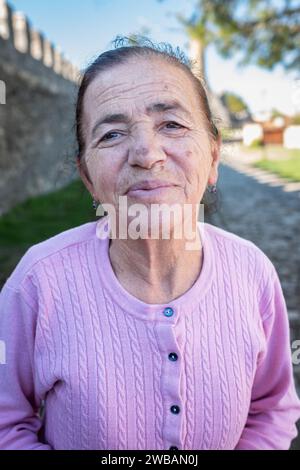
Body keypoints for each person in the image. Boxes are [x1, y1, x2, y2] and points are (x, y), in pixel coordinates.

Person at [0, 36, 300, 450]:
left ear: (213, 158)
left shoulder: (253, 273)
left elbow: (273, 408)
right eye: (111, 134)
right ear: (87, 177)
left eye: (172, 125)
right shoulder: (37, 284)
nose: (146, 153)